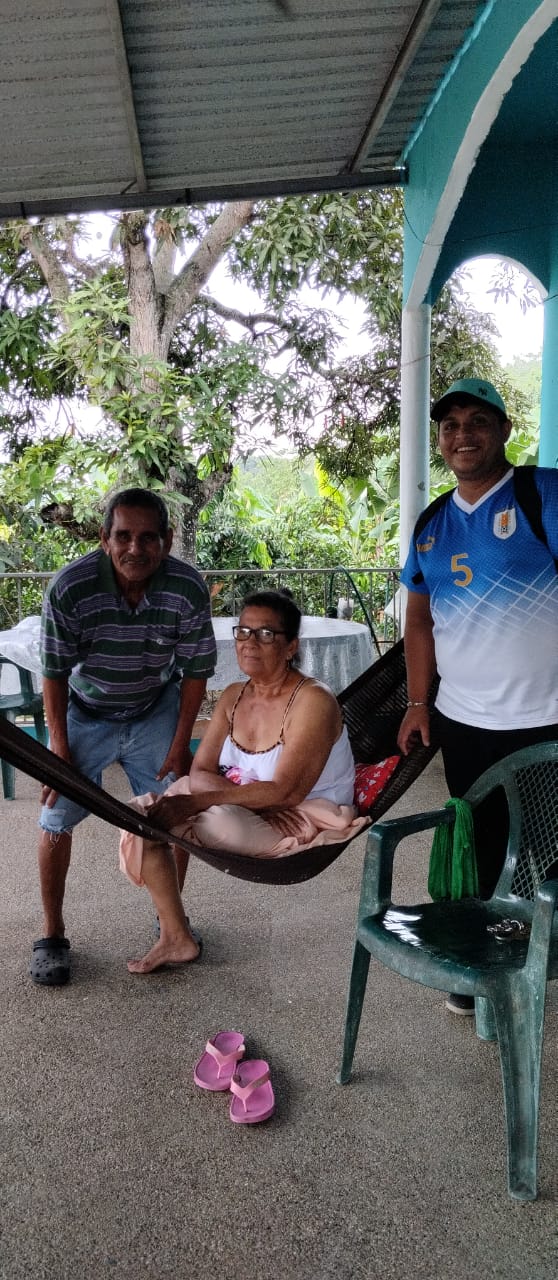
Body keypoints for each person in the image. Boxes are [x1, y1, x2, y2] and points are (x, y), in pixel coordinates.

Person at [397, 377, 558, 1014]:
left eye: (477, 422)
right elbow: (418, 620)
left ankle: (539, 962)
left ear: (504, 430)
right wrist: (417, 703)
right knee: (482, 841)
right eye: (450, 425)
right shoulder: (432, 523)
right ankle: (483, 966)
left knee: (548, 850)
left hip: (547, 718)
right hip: (463, 721)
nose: (462, 435)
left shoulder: (544, 494)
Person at [119, 589, 367, 974]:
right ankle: (175, 936)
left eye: (266, 634)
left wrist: (193, 803)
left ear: (290, 646)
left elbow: (286, 791)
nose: (250, 642)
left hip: (300, 816)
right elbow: (200, 770)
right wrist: (200, 797)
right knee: (138, 816)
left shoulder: (313, 701)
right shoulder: (234, 696)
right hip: (236, 805)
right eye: (243, 631)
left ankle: (180, 829)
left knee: (211, 822)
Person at [32, 487, 217, 987]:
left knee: (174, 812)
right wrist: (59, 747)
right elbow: (53, 671)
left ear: (167, 541)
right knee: (54, 818)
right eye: (123, 536)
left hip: (155, 708)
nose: (136, 548)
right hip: (84, 711)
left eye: (148, 537)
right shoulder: (70, 588)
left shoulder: (187, 588)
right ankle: (52, 934)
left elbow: (196, 671)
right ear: (104, 538)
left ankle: (170, 924)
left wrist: (180, 744)